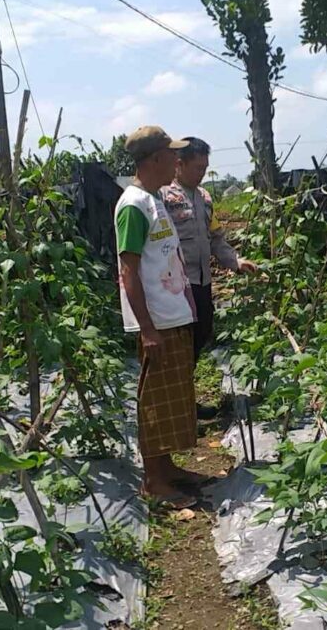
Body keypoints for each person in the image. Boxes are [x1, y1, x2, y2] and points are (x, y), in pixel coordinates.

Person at [115, 125, 208, 507]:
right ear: (156, 158)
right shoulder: (133, 206)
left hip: (173, 316)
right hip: (157, 323)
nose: (177, 160)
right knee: (156, 401)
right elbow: (128, 271)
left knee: (173, 398)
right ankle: (154, 481)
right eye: (172, 154)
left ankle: (167, 468)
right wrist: (148, 329)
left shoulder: (153, 200)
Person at [161, 137, 258, 371]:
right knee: (180, 342)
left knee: (202, 331)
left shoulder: (204, 198)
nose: (202, 174)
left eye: (205, 168)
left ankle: (186, 392)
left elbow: (216, 239)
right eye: (197, 168)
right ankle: (182, 398)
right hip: (177, 285)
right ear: (179, 164)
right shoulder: (163, 197)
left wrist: (236, 261)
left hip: (202, 282)